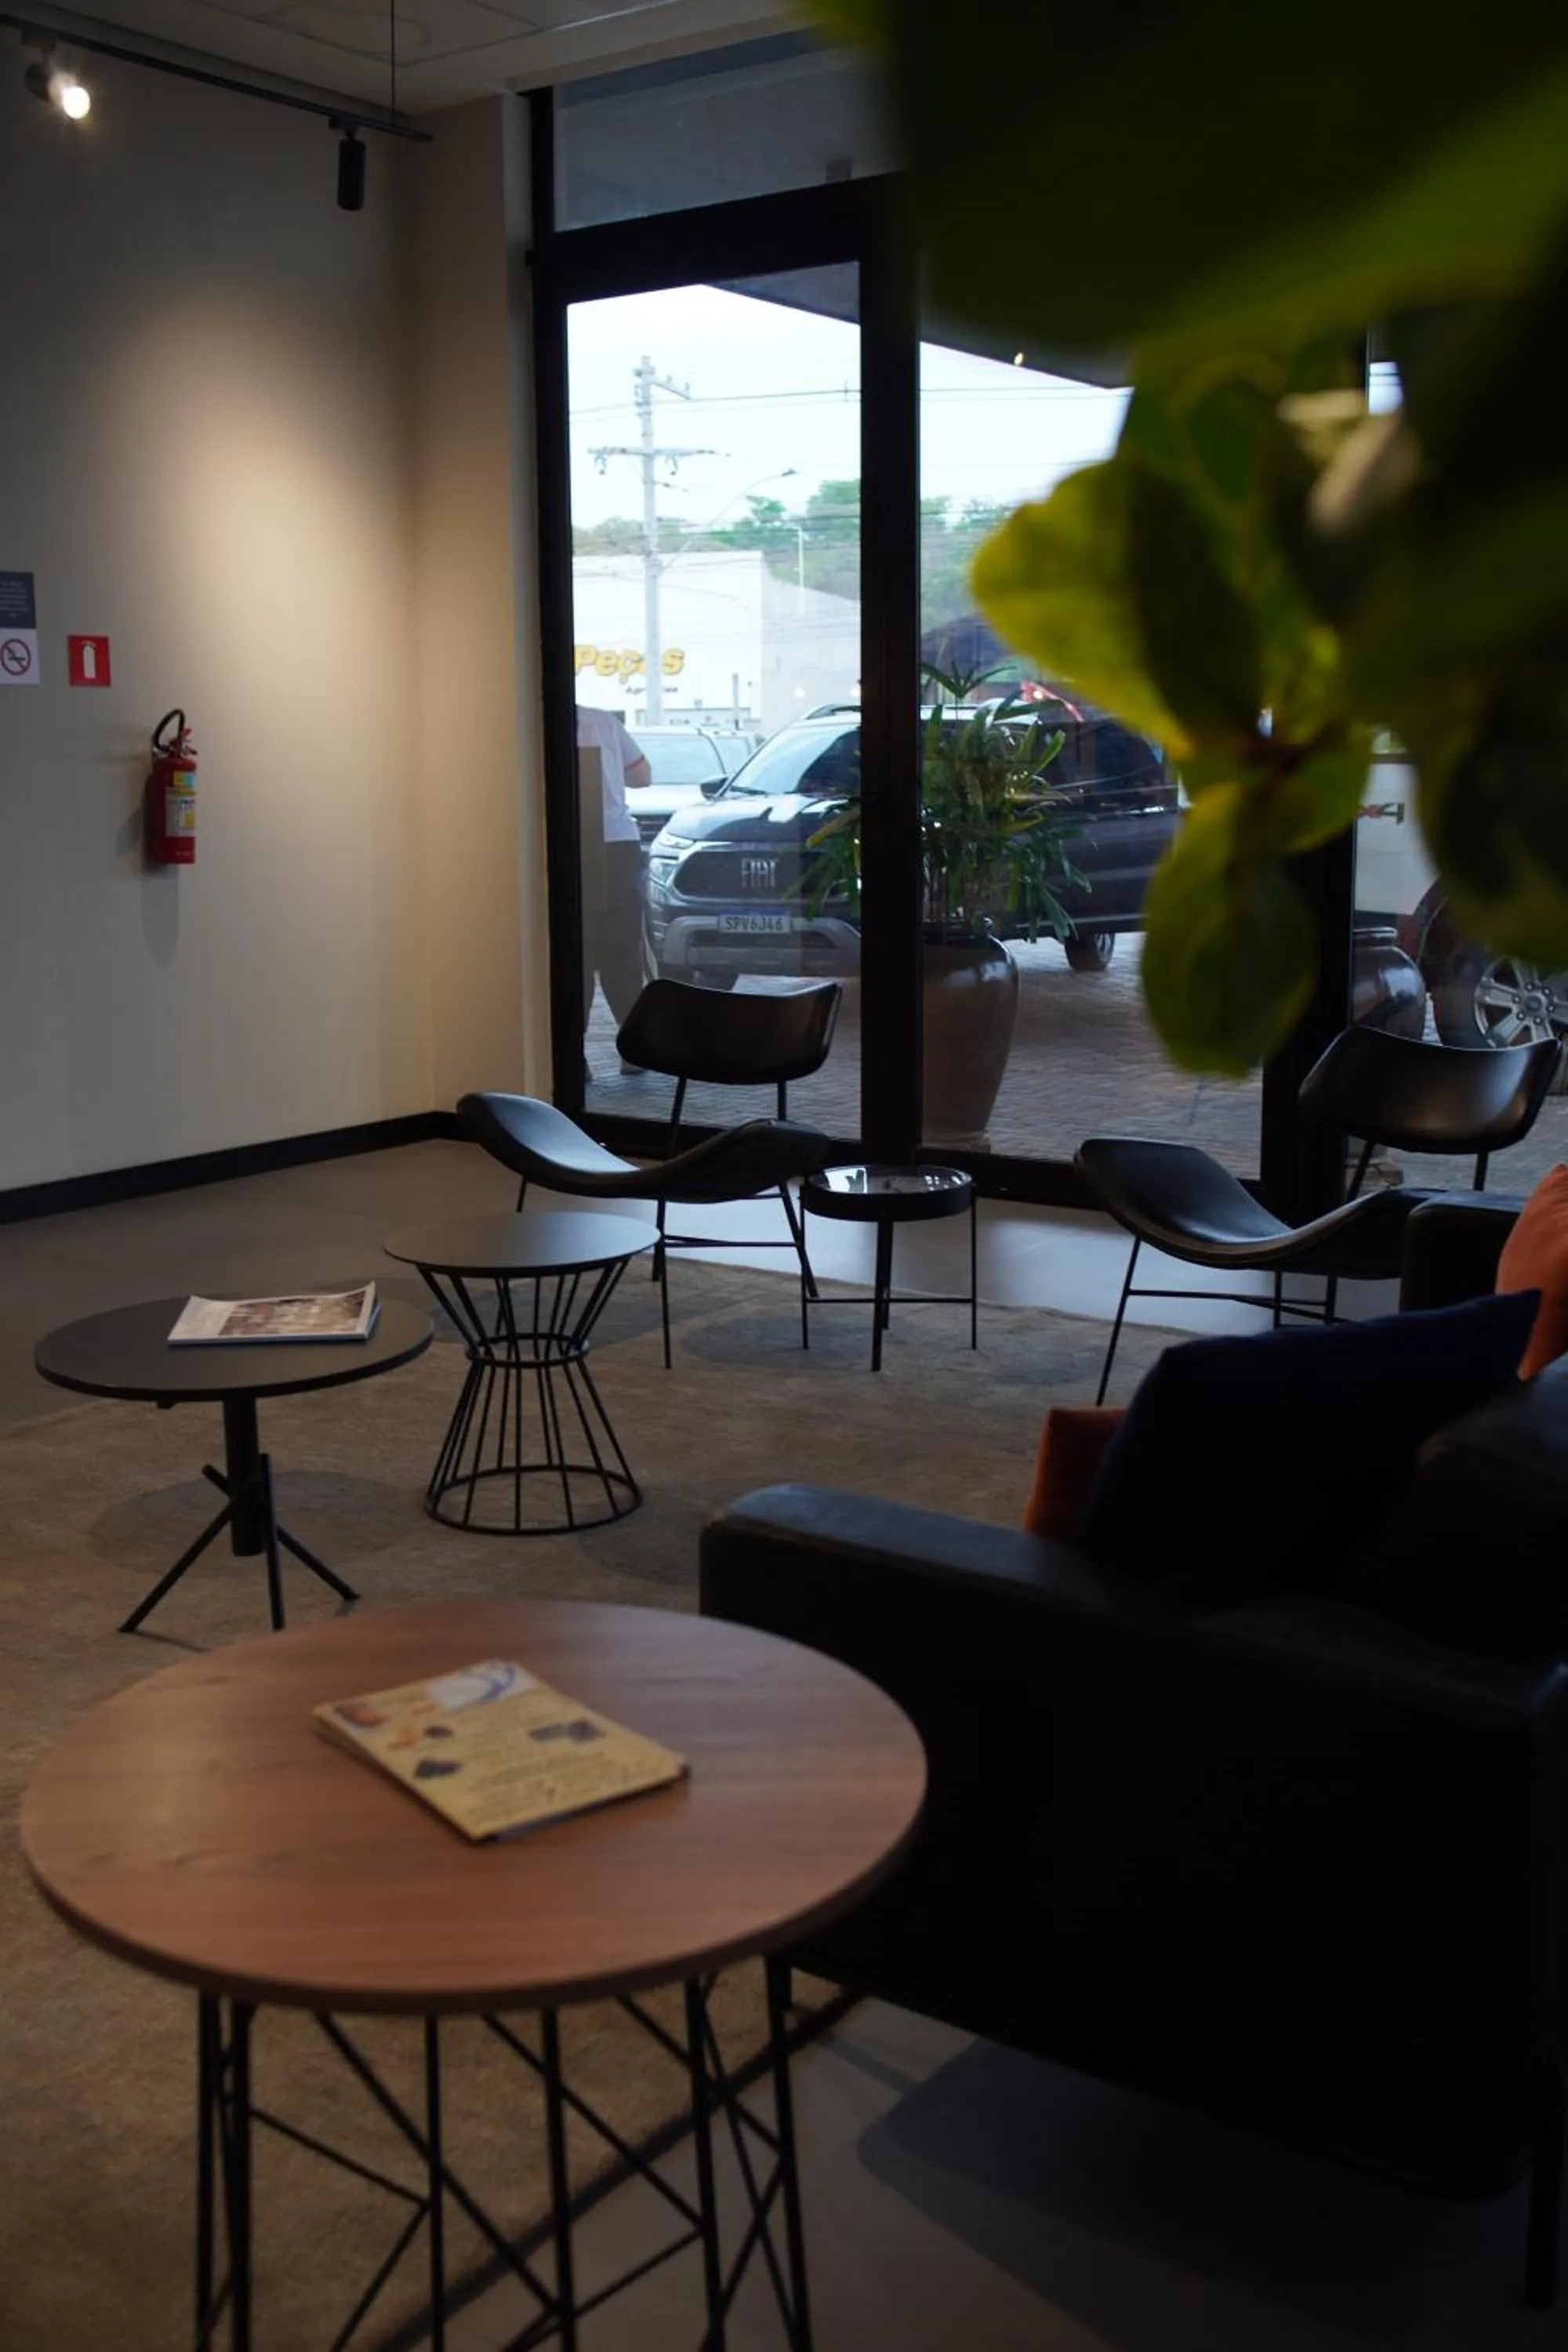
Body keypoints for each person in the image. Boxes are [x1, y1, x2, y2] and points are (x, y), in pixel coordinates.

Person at [576, 704, 652, 1048]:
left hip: (570, 845)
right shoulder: (603, 722)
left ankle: (573, 1053)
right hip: (618, 845)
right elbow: (641, 776)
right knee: (621, 951)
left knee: (575, 952)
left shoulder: (528, 724)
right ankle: (634, 1047)